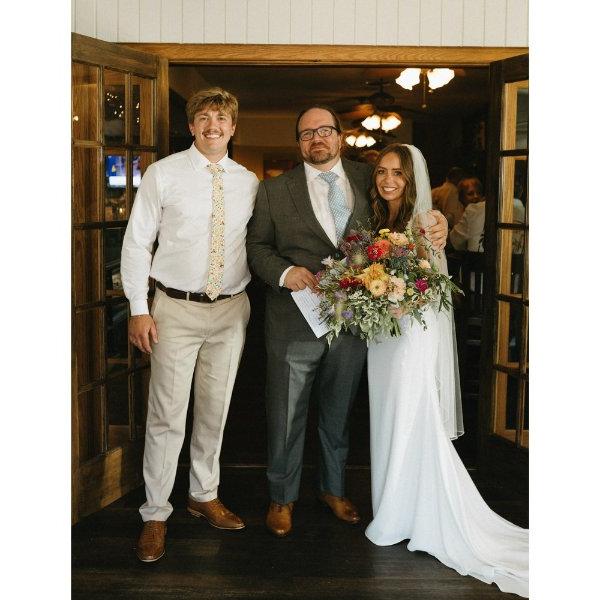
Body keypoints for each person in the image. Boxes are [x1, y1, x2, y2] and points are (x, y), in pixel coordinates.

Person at [246, 105, 449, 538]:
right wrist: (284, 273)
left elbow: (408, 205)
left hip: (357, 321)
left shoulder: (369, 177)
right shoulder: (272, 191)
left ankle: (333, 489)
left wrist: (438, 220)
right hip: (293, 321)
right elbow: (258, 248)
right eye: (305, 134)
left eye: (324, 131)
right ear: (297, 143)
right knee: (285, 414)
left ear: (339, 136)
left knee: (338, 412)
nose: (315, 139)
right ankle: (282, 497)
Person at [365, 144, 529, 597]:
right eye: (382, 171)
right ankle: (394, 505)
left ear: (413, 179)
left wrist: (394, 301)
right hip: (382, 336)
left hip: (410, 336)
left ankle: (404, 513)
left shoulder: (425, 222)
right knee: (390, 416)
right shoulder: (381, 221)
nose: (388, 179)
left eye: (397, 173)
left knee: (411, 416)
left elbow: (430, 287)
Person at [121, 88, 259, 562]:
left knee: (214, 411)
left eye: (221, 118)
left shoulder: (249, 181)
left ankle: (203, 495)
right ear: (192, 126)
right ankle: (156, 512)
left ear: (233, 127)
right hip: (173, 310)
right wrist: (139, 307)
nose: (213, 126)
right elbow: (138, 243)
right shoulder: (164, 174)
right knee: (166, 414)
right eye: (204, 118)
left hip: (230, 310)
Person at [449, 177, 525, 253]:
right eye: (470, 194)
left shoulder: (475, 211)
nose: (475, 196)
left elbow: (454, 242)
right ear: (461, 197)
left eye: (479, 193)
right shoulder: (524, 211)